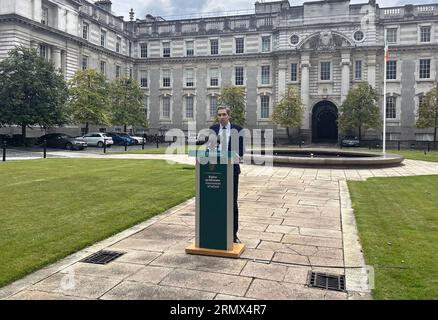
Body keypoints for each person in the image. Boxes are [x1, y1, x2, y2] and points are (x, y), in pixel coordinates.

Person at [209, 106, 244, 244]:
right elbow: (210, 149)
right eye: (219, 115)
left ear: (229, 116)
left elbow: (240, 152)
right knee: (216, 202)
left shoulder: (238, 129)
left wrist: (228, 155)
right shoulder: (213, 129)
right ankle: (215, 231)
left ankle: (233, 234)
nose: (221, 117)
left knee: (232, 203)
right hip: (216, 171)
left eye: (224, 114)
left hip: (232, 171)